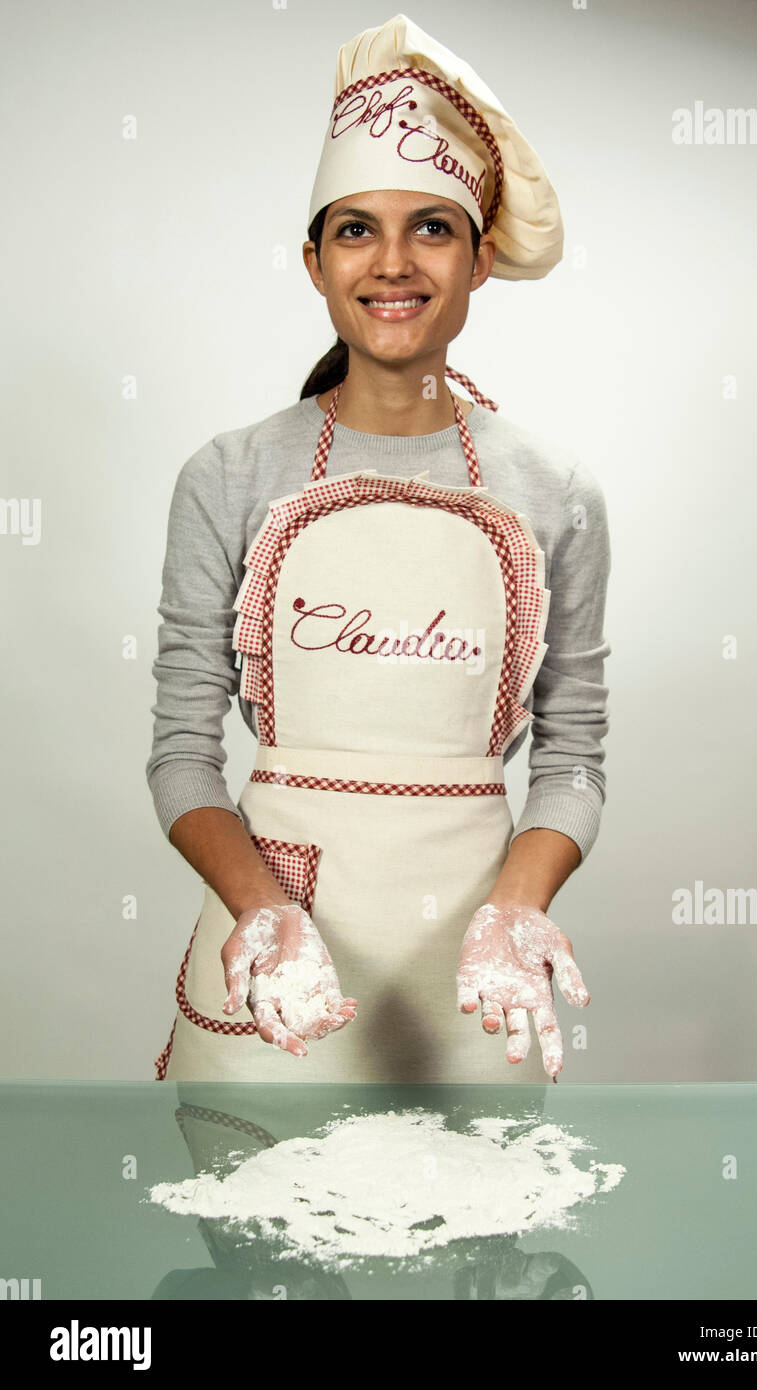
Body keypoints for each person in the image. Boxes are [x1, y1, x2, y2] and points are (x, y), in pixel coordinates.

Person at [146, 13, 611, 1084]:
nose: (391, 263)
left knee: (472, 1252)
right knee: (256, 1242)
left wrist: (515, 908)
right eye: (354, 229)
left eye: (430, 230)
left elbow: (573, 758)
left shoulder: (558, 492)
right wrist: (262, 911)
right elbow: (181, 753)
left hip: (473, 982)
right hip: (274, 972)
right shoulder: (226, 476)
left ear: (479, 258)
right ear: (314, 261)